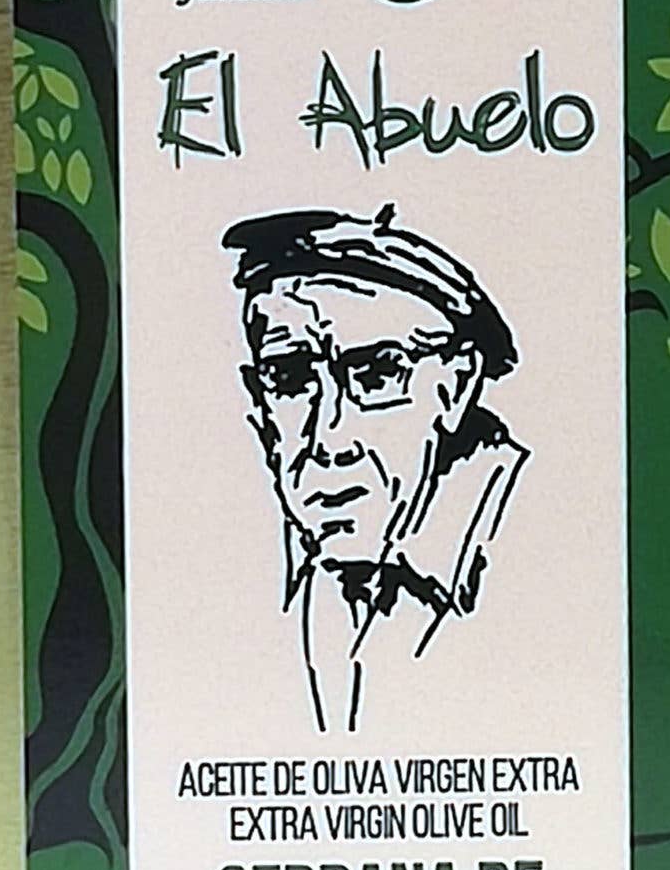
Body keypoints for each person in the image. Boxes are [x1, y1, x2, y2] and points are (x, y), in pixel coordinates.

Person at [221, 205, 530, 732]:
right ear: (259, 401)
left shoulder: (540, 542)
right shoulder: (255, 580)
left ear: (456, 386)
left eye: (378, 375)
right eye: (289, 379)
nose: (329, 440)